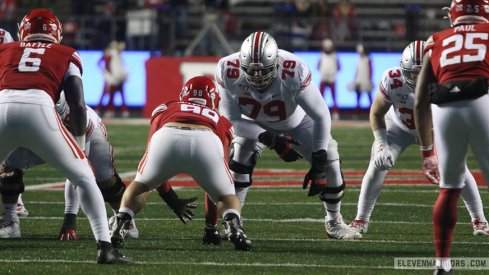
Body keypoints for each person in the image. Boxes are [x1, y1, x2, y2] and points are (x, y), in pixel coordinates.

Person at [0, 9, 132, 263]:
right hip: (39, 107)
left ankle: (10, 220)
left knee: (8, 167)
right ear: (57, 32)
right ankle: (105, 248)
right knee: (83, 176)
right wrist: (79, 146)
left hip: (3, 104)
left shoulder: (7, 49)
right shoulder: (67, 53)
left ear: (22, 31)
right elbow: (78, 104)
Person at [213, 31, 361, 240]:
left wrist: (318, 162)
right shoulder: (227, 68)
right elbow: (230, 120)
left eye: (263, 71)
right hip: (253, 124)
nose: (257, 78)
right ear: (241, 64)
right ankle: (234, 223)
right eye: (251, 71)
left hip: (297, 122)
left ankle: (334, 222)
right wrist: (270, 139)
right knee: (238, 165)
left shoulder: (293, 68)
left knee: (330, 164)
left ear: (276, 63)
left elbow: (320, 115)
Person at [348, 40, 489, 236]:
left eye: (425, 71)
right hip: (398, 127)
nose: (420, 77)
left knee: (458, 167)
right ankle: (360, 219)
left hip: (433, 131)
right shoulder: (392, 79)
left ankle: (479, 220)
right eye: (415, 72)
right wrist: (381, 144)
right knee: (377, 164)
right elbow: (376, 113)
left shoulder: (447, 81)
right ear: (404, 69)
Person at [110, 76, 252, 251]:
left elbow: (153, 148)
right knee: (226, 196)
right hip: (206, 139)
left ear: (184, 95)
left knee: (140, 185)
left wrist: (172, 201)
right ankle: (233, 225)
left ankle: (122, 220)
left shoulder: (166, 107)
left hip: (167, 136)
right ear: (214, 98)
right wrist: (210, 228)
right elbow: (213, 186)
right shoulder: (221, 119)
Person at [413, 1, 489, 273]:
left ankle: (442, 264)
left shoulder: (437, 39)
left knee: (449, 187)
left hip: (444, 105)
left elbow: (420, 98)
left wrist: (426, 152)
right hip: (483, 99)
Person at [0, 93, 140, 240]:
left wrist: (69, 222)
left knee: (107, 182)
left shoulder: (74, 117)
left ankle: (123, 219)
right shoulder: (26, 112)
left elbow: (78, 171)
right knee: (9, 166)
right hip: (44, 136)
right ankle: (10, 221)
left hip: (88, 135)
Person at [96, 40, 129, 118]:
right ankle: (104, 110)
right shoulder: (110, 54)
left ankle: (120, 110)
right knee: (107, 94)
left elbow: (119, 66)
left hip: (117, 77)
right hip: (110, 78)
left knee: (119, 93)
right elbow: (102, 64)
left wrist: (122, 75)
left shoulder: (118, 55)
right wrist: (106, 73)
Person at [317, 38, 340, 120]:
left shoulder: (335, 56)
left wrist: (332, 72)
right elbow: (318, 66)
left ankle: (335, 113)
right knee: (321, 97)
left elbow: (339, 67)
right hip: (323, 78)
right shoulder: (322, 55)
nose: (327, 48)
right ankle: (319, 113)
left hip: (331, 79)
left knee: (334, 98)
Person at [349, 43, 373, 116]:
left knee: (369, 97)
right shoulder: (358, 59)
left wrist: (369, 79)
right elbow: (357, 71)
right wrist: (355, 80)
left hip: (366, 80)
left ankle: (373, 112)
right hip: (359, 80)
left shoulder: (368, 59)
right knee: (358, 97)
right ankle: (357, 112)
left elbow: (370, 70)